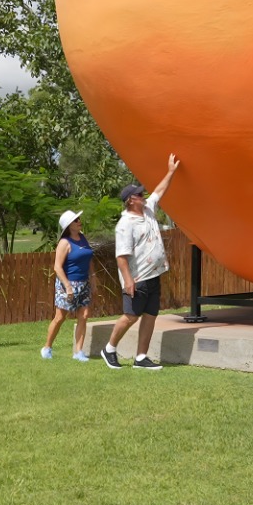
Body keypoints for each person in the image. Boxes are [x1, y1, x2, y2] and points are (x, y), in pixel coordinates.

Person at [100, 153, 179, 370]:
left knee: (151, 315)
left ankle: (141, 357)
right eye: (138, 193)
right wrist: (128, 281)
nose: (142, 194)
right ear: (130, 200)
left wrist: (171, 171)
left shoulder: (147, 209)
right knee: (131, 316)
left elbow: (160, 190)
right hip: (137, 278)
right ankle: (109, 349)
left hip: (153, 274)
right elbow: (121, 256)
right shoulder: (126, 224)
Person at [41, 209, 95, 361]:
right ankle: (47, 348)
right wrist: (68, 287)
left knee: (84, 316)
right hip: (67, 284)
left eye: (79, 219)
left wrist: (94, 279)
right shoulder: (65, 243)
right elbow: (57, 267)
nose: (79, 221)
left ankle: (78, 352)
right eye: (76, 220)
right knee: (60, 317)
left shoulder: (83, 238)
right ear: (69, 226)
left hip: (84, 283)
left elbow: (89, 260)